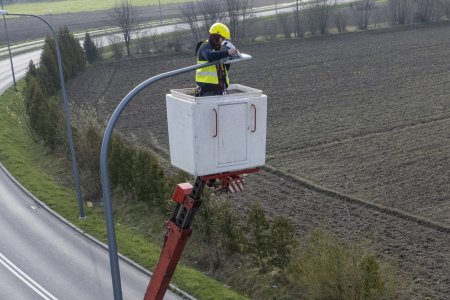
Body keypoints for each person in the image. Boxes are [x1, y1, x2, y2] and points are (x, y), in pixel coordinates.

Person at [195, 23, 237, 96]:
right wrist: (228, 52)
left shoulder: (218, 48)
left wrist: (229, 59)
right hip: (208, 90)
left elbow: (225, 69)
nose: (223, 41)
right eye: (223, 38)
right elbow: (209, 56)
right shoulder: (205, 46)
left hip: (220, 88)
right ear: (216, 36)